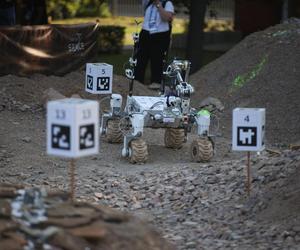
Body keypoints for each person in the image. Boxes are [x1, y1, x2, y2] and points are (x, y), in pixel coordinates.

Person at [135, 0, 174, 90]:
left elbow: (167, 18)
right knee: (140, 58)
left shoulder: (167, 3)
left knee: (157, 59)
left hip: (160, 34)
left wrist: (158, 5)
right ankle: (138, 81)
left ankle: (156, 82)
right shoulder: (148, 4)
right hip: (146, 32)